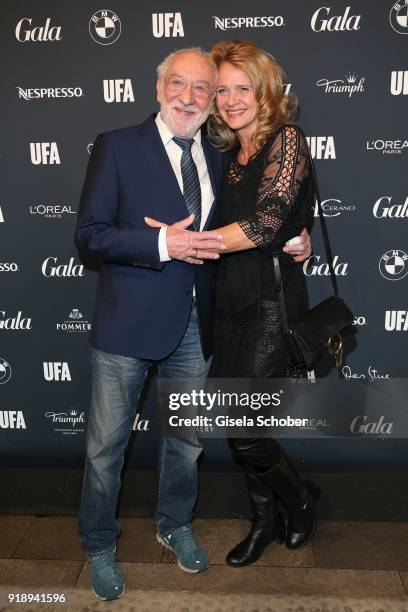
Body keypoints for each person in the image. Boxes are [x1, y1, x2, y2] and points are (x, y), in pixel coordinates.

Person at [76, 47, 311, 600]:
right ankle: (98, 544)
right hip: (127, 325)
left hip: (199, 324)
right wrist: (162, 241)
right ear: (159, 89)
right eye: (178, 84)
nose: (191, 96)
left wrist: (290, 239)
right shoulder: (116, 146)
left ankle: (175, 524)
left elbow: (263, 216)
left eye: (203, 89)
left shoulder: (220, 152)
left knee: (185, 441)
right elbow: (89, 235)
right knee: (105, 448)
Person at [206, 39, 319, 567]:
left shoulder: (286, 140)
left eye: (242, 88)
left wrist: (193, 243)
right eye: (221, 89)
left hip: (271, 305)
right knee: (239, 422)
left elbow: (268, 223)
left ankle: (298, 502)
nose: (230, 100)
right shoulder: (228, 151)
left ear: (266, 90)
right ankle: (264, 520)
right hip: (229, 303)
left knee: (246, 430)